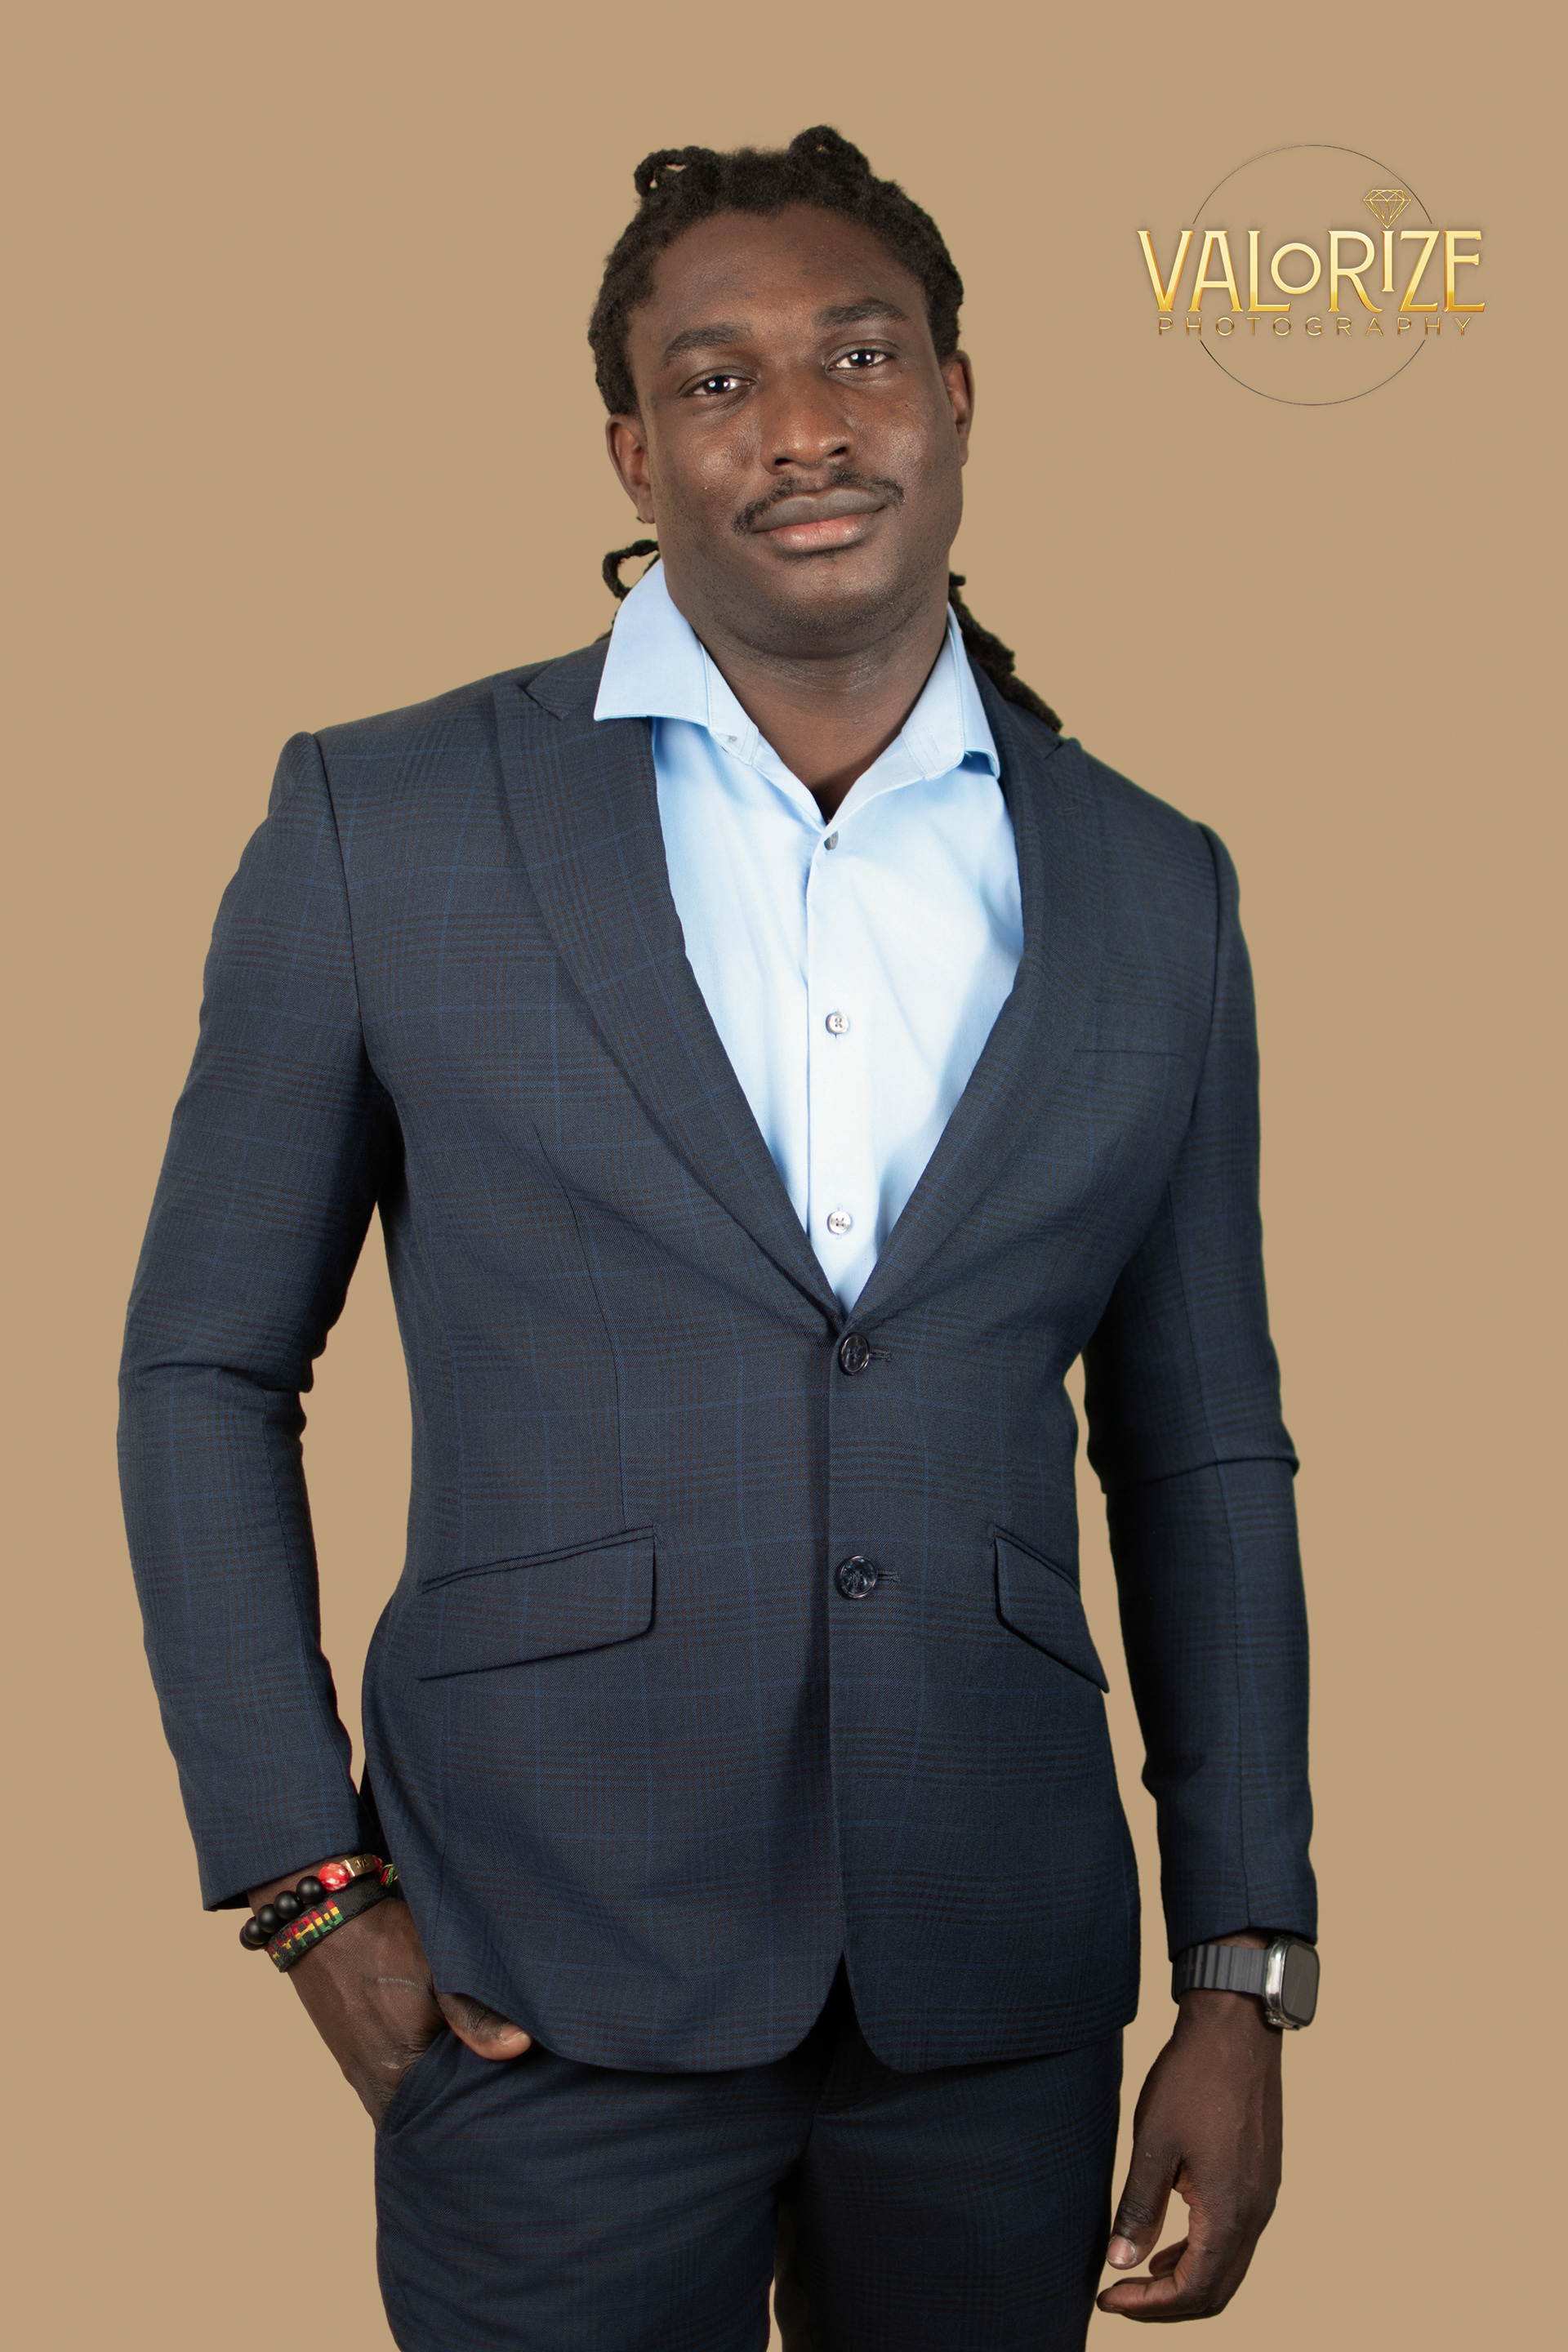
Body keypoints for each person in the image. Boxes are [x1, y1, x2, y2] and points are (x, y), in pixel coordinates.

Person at [119, 126, 1316, 2351]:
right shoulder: (388, 821)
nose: (803, 427)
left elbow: (1204, 1453)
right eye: (717, 378)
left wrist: (1241, 1969)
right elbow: (204, 1369)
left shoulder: (1159, 883)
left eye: (862, 355)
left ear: (959, 395)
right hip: (533, 1970)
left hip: (998, 1986)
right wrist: (305, 1887)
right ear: (633, 449)